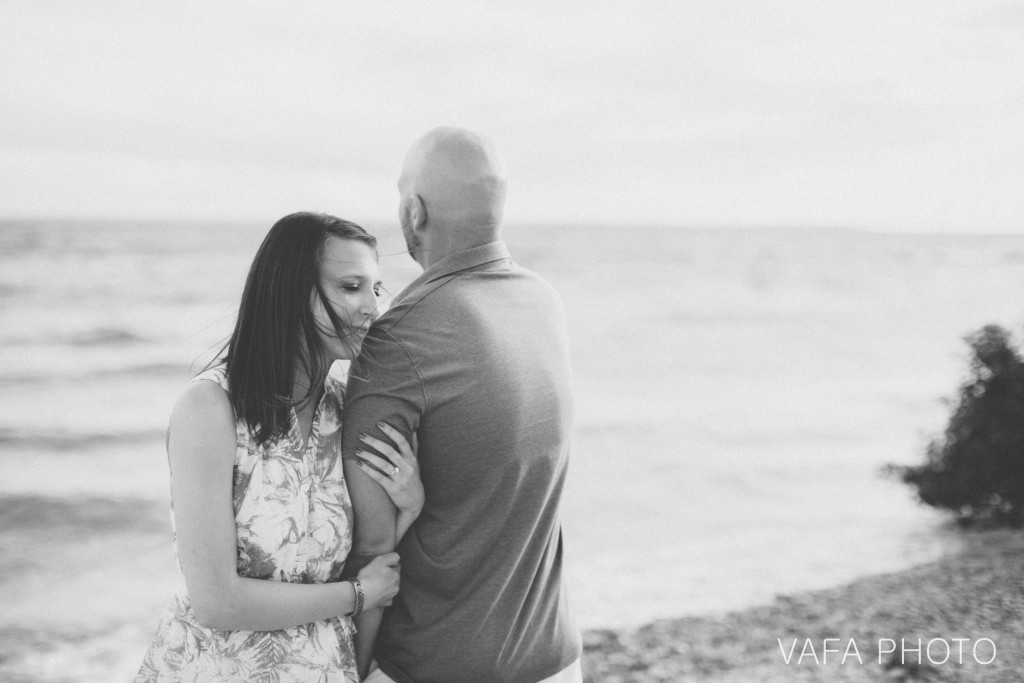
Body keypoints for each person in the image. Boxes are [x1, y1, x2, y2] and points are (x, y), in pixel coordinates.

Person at [136, 213, 424, 683]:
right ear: (289, 292)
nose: (373, 307)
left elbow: (372, 562)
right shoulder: (210, 409)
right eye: (351, 286)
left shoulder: (348, 408)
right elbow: (216, 601)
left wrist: (410, 507)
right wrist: (354, 595)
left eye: (375, 288)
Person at [341, 127, 582, 683]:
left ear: (413, 211)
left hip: (438, 667)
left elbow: (371, 549)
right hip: (555, 658)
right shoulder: (543, 302)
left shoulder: (402, 336)